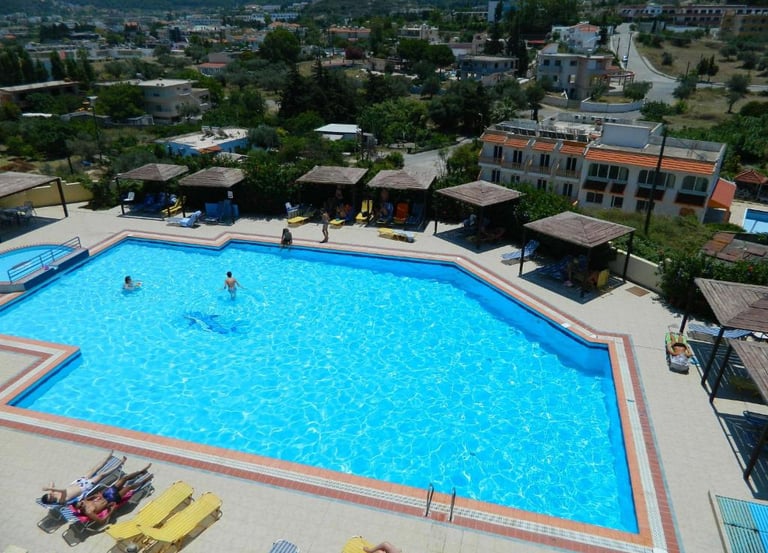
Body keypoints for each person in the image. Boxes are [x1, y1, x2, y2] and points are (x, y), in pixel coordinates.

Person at [74, 463, 153, 525]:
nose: (82, 505)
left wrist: (95, 496)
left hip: (106, 494)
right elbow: (102, 521)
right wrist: (111, 511)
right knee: (129, 487)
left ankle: (141, 471)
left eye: (81, 503)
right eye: (80, 507)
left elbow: (87, 498)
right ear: (79, 509)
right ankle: (146, 480)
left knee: (124, 478)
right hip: (111, 500)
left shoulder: (84, 501)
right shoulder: (89, 512)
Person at [40, 450, 126, 505]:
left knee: (94, 468)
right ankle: (119, 464)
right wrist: (50, 488)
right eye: (50, 497)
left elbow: (51, 481)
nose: (50, 495)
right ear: (51, 501)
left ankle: (108, 457)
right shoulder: (60, 501)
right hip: (84, 487)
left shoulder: (53, 493)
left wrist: (49, 489)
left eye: (48, 494)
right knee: (101, 475)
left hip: (78, 482)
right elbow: (63, 491)